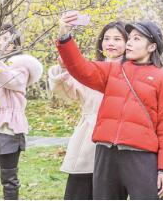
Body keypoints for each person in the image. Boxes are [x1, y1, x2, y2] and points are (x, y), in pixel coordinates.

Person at [56, 12, 163, 200]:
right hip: (106, 153)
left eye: (137, 39)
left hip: (141, 157)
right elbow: (81, 68)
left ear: (152, 46)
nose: (130, 43)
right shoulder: (113, 71)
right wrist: (65, 36)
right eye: (129, 38)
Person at [49, 22, 127, 199]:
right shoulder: (91, 69)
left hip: (119, 140)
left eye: (117, 39)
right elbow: (67, 90)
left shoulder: (132, 72)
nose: (111, 43)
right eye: (106, 38)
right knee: (79, 191)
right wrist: (63, 67)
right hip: (88, 138)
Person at [0, 24, 43, 200]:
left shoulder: (21, 66)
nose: (1, 43)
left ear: (15, 44)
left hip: (8, 128)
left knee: (9, 179)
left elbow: (11, 81)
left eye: (7, 39)